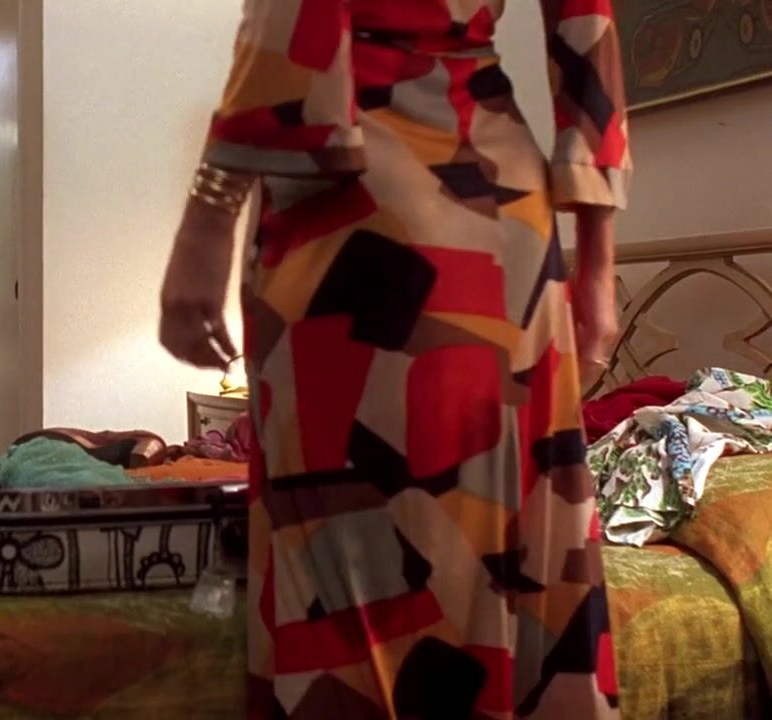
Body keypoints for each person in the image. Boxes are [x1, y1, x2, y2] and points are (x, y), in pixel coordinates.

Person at [159, 2, 628, 717]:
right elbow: (585, 22)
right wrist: (598, 262)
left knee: (352, 577)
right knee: (498, 552)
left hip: (356, 206)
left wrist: (210, 209)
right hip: (503, 202)